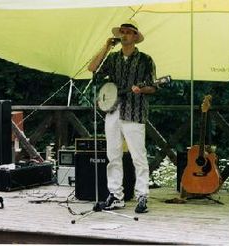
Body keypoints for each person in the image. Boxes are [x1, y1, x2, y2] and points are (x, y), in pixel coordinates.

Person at [88, 20, 157, 213]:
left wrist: (141, 89)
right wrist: (106, 46)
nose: (124, 35)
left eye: (128, 32)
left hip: (134, 111)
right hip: (112, 111)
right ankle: (115, 196)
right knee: (113, 156)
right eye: (122, 32)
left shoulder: (145, 59)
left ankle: (142, 195)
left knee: (138, 156)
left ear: (135, 37)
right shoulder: (112, 58)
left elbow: (154, 86)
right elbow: (93, 68)